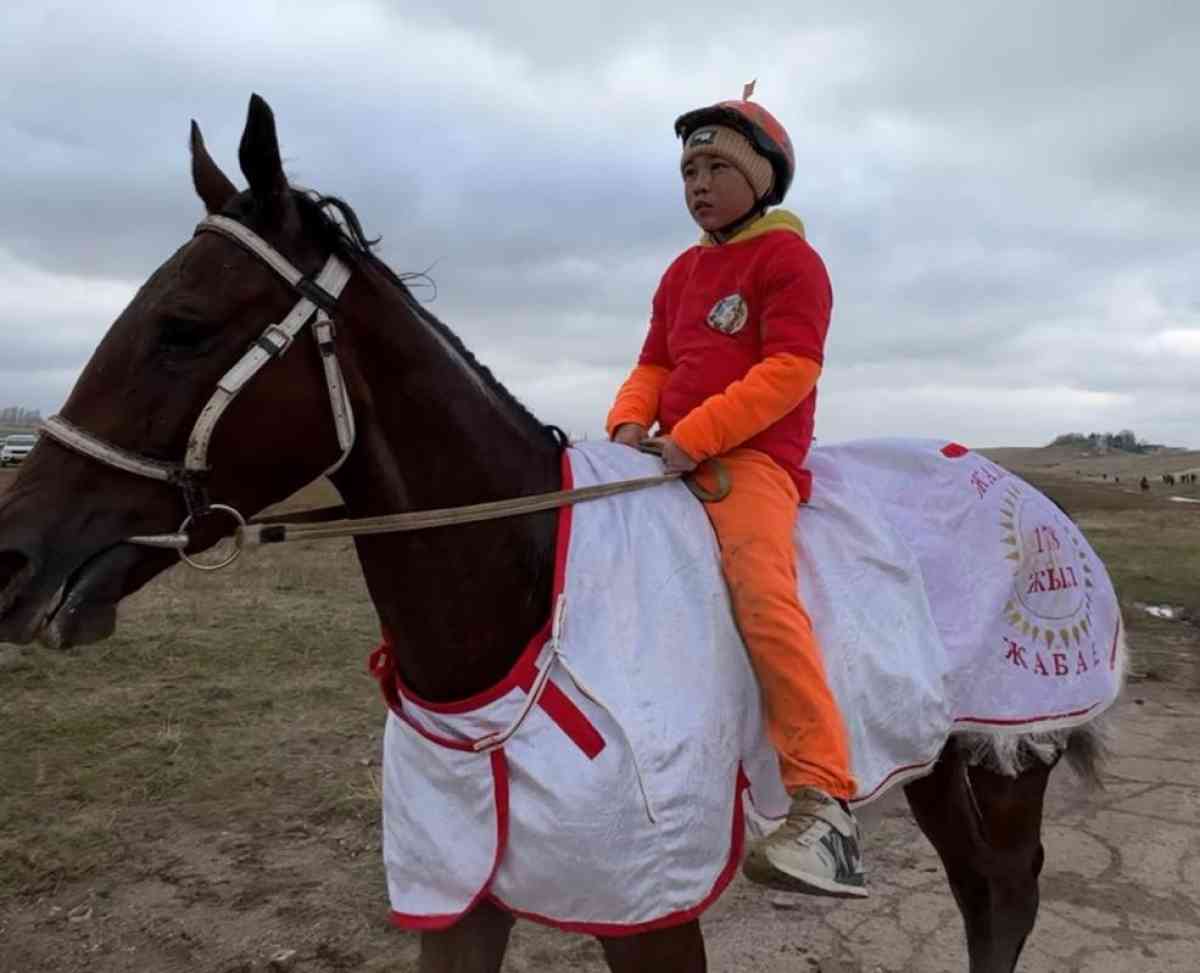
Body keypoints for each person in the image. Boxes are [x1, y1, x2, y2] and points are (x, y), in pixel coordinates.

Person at [605, 86, 866, 898]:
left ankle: (825, 804)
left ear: (763, 178)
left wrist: (696, 436)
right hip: (672, 455)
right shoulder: (682, 270)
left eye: (717, 165)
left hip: (751, 466)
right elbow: (654, 362)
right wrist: (626, 423)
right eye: (688, 168)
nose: (699, 183)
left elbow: (790, 370)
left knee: (762, 594)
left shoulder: (790, 261)